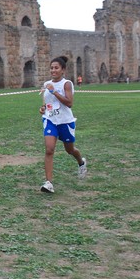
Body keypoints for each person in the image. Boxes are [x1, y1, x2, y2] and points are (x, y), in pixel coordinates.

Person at [39, 56, 87, 193]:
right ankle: (48, 183)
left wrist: (54, 91)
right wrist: (42, 109)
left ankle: (81, 162)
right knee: (49, 149)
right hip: (50, 120)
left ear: (63, 70)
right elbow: (46, 104)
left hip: (65, 121)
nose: (53, 70)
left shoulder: (67, 84)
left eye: (56, 68)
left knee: (70, 150)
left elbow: (69, 103)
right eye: (51, 68)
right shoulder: (46, 84)